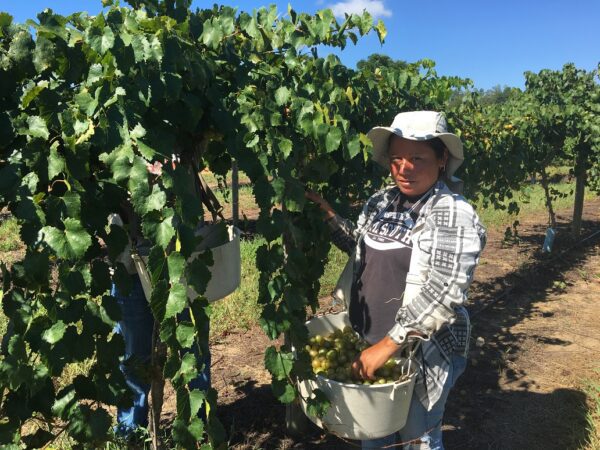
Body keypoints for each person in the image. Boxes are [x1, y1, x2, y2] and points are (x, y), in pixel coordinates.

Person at [306, 111, 486, 449]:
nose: (404, 168)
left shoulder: (452, 212)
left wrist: (387, 346)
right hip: (370, 343)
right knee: (374, 437)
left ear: (442, 158)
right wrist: (327, 214)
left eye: (417, 158)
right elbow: (360, 247)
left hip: (419, 353)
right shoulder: (381, 201)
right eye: (396, 158)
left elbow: (444, 291)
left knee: (418, 438)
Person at [111, 162, 211, 439]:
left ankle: (197, 430)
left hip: (182, 261)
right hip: (129, 264)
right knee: (134, 356)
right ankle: (131, 436)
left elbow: (202, 150)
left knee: (192, 350)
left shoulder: (180, 129)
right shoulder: (113, 134)